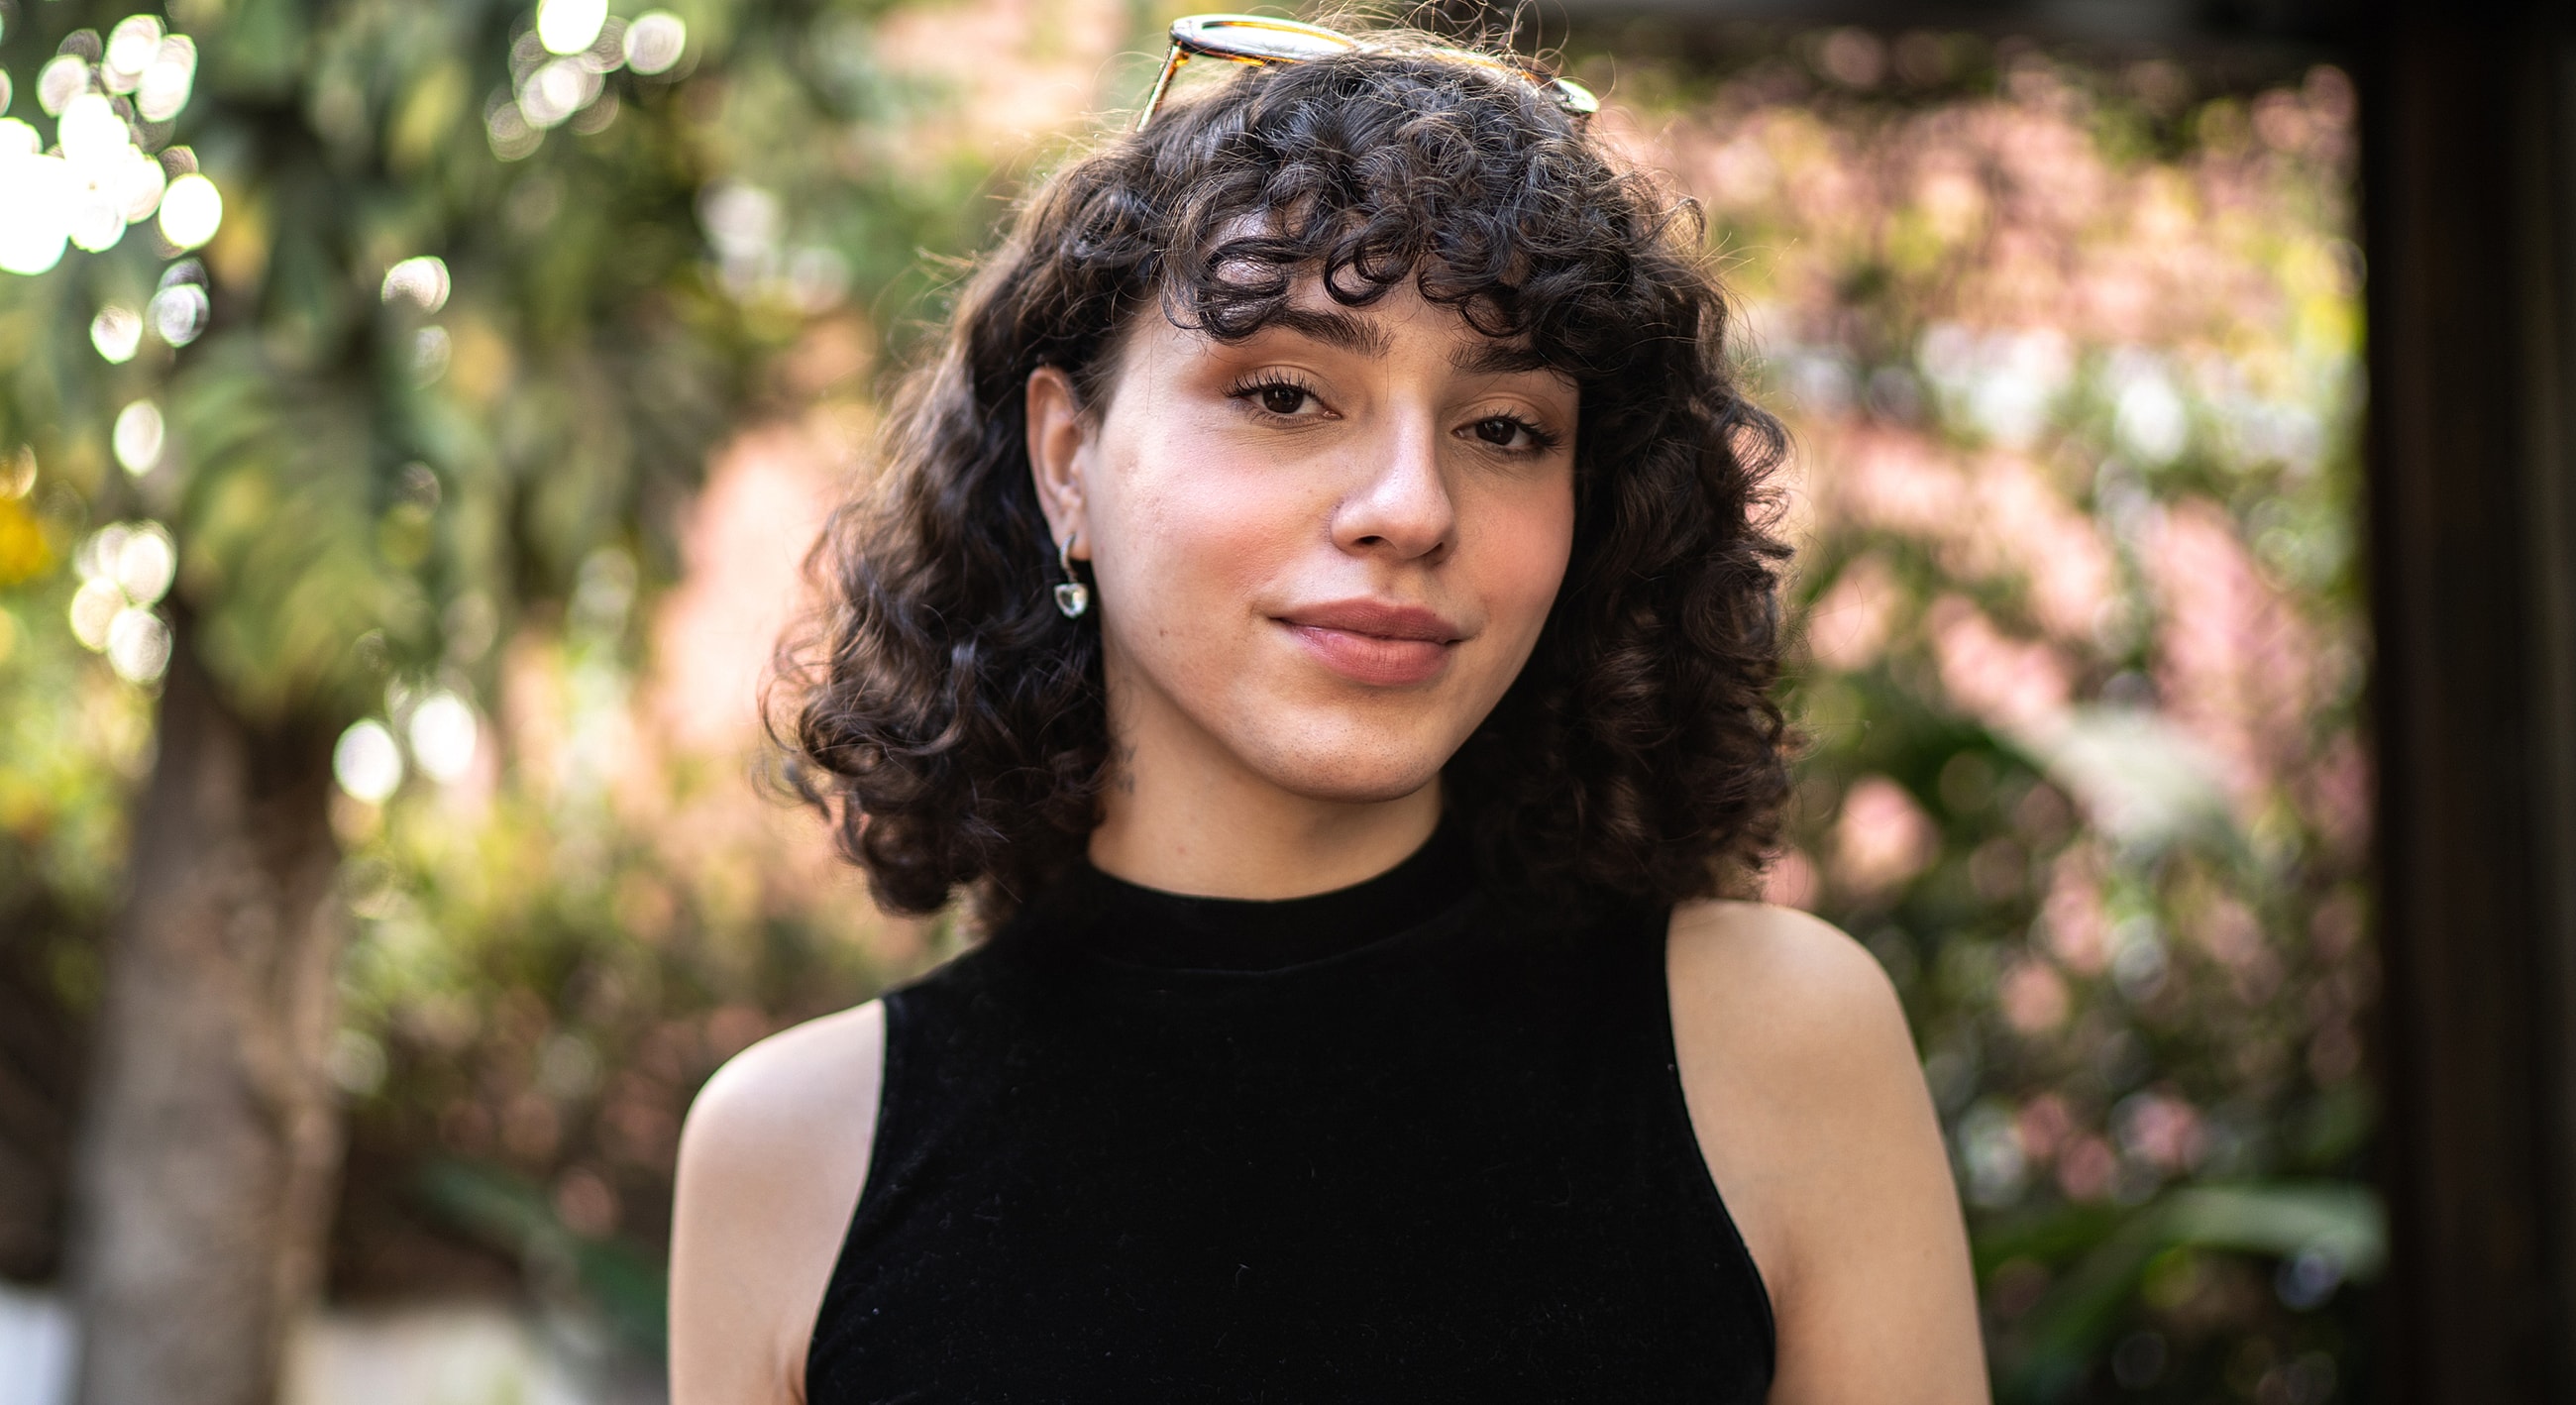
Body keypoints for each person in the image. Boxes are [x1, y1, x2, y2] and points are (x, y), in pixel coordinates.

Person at [670, 20, 1985, 1404]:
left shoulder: (1777, 1054)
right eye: (1288, 392)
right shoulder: (794, 1162)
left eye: (1505, 428)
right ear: (1069, 460)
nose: (1412, 507)